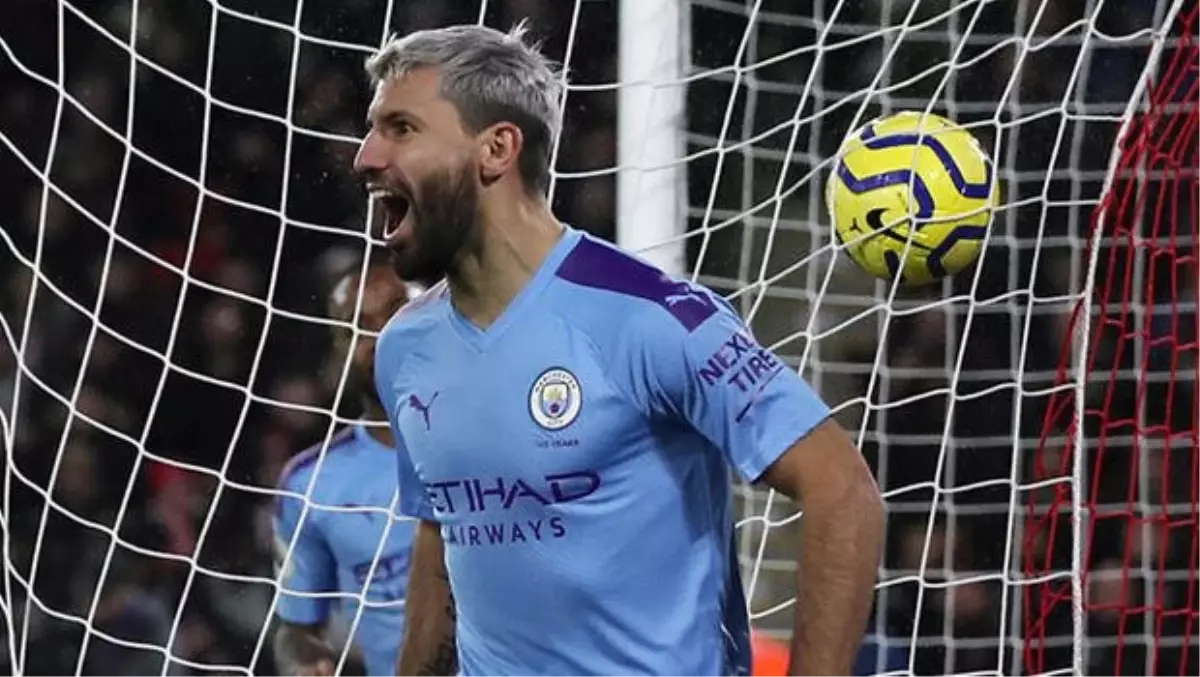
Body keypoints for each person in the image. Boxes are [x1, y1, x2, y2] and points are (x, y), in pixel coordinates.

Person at [356, 22, 886, 677]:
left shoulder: (652, 318)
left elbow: (842, 489)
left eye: (401, 128)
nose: (366, 156)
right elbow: (441, 540)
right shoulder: (405, 347)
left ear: (497, 149)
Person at [271, 256, 422, 677]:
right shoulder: (311, 485)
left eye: (394, 310)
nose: (379, 335)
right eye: (357, 325)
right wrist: (304, 660)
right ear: (339, 347)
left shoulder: (500, 426)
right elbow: (296, 629)